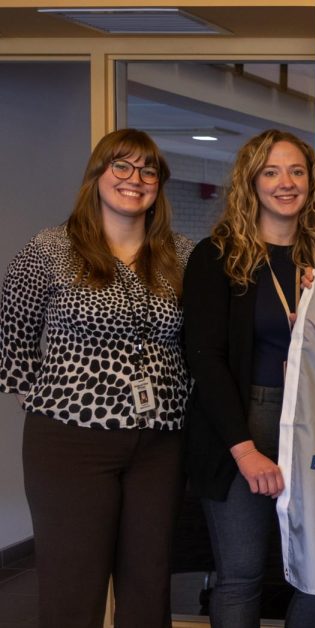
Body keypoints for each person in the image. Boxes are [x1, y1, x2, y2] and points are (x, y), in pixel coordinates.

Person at [0, 128, 193, 627]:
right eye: (122, 166)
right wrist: (39, 397)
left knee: (149, 587)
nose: (136, 179)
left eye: (148, 170)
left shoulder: (182, 256)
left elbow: (206, 338)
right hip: (70, 442)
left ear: (159, 185)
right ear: (98, 176)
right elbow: (11, 329)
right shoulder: (51, 248)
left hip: (160, 443)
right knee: (73, 588)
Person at [183, 129, 315, 627]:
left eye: (297, 171)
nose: (286, 183)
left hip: (313, 422)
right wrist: (244, 449)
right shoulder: (216, 257)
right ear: (250, 182)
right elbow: (204, 357)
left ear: (311, 183)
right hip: (243, 418)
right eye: (271, 172)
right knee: (242, 574)